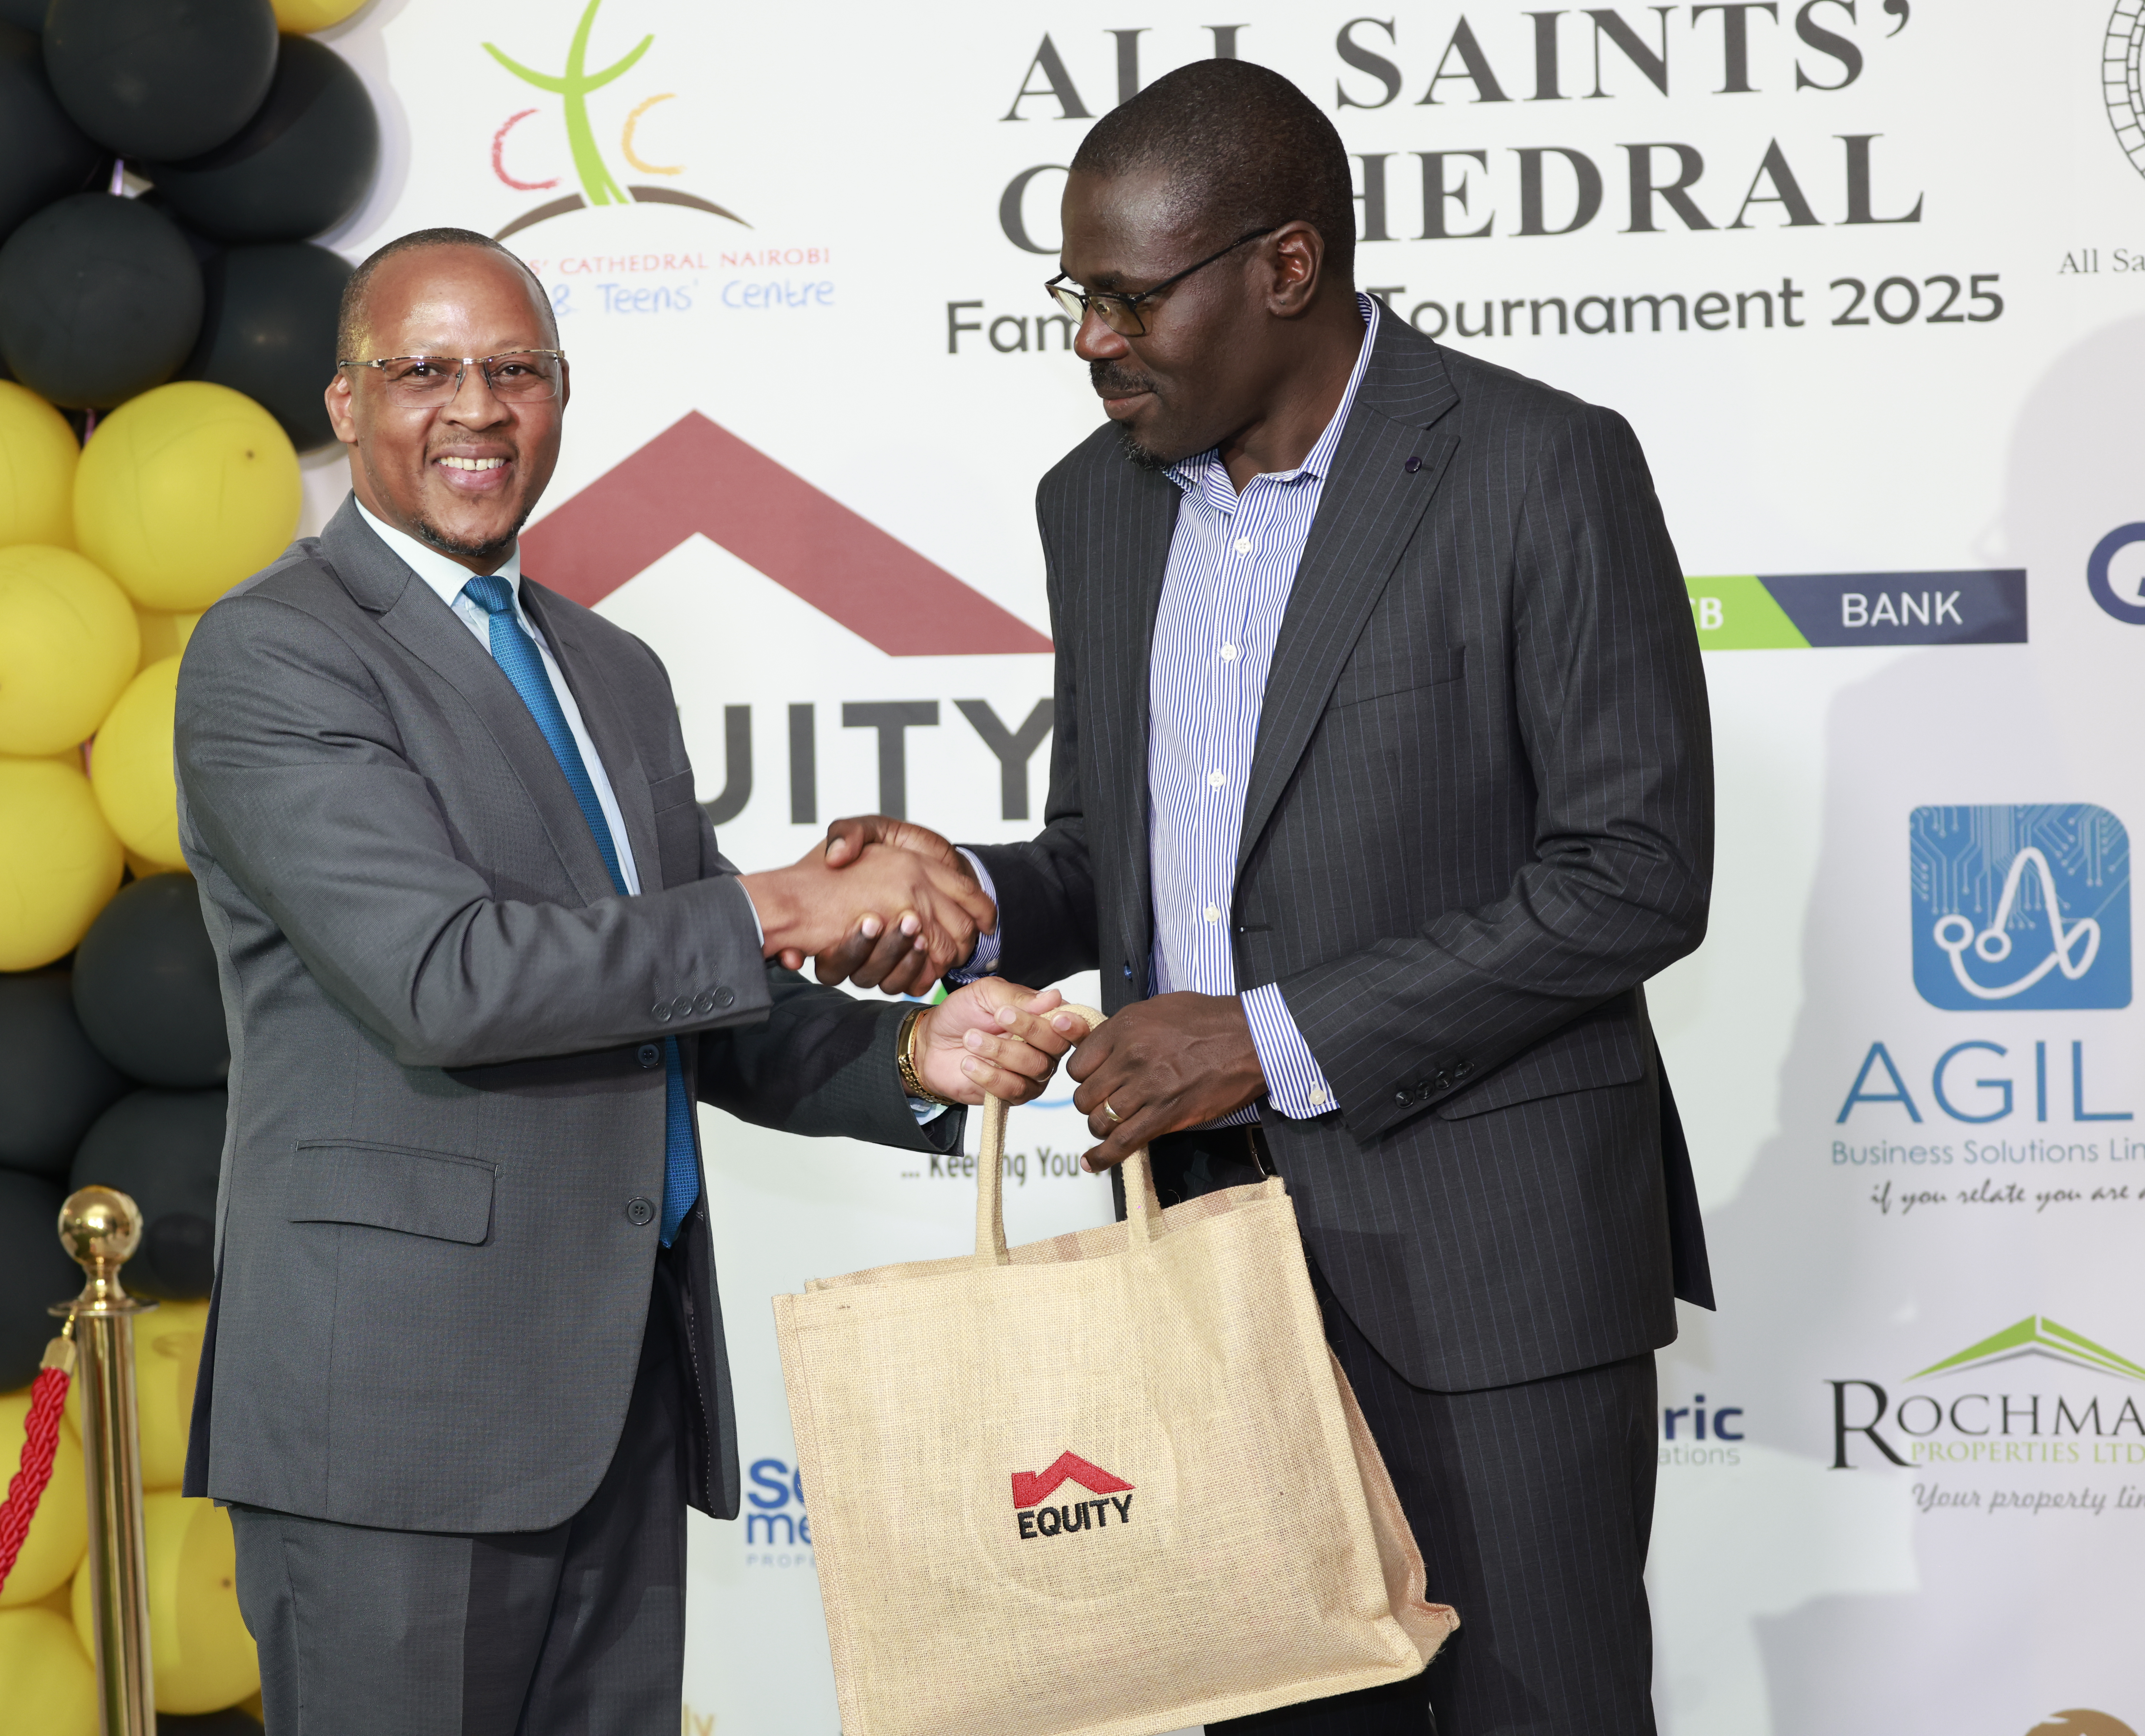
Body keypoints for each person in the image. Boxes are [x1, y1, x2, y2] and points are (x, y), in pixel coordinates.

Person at [818, 59, 1715, 1736]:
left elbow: (1637, 872)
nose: (1092, 336)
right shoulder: (1092, 505)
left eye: (1130, 295)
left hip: (1498, 1261)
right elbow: (1115, 847)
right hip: (1211, 1263)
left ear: (1287, 268)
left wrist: (1267, 1036)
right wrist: (970, 900)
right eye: (1076, 294)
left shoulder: (1539, 466)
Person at [171, 227, 1075, 1736]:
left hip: (615, 1395)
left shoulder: (609, 672)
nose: (476, 406)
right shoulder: (274, 655)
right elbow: (447, 978)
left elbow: (687, 998)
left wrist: (921, 1053)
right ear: (344, 405)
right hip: (396, 1429)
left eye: (514, 369)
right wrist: (787, 897)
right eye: (426, 370)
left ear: (562, 396)